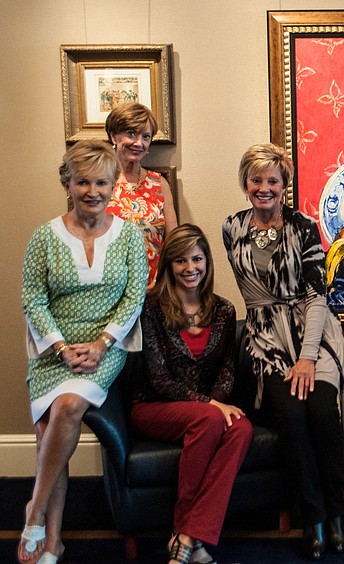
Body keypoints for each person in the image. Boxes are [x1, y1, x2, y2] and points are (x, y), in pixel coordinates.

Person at [20, 140, 147, 563]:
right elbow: (33, 298)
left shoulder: (129, 235)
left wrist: (99, 344)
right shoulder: (44, 236)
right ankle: (52, 541)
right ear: (68, 184)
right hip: (51, 350)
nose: (92, 191)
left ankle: (34, 509)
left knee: (70, 405)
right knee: (47, 431)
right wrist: (59, 347)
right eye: (82, 182)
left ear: (113, 187)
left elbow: (133, 300)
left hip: (103, 347)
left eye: (101, 182)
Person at [222, 143, 344, 560]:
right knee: (293, 416)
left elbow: (316, 297)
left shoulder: (305, 227)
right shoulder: (231, 228)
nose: (264, 188)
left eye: (272, 180)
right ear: (245, 183)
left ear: (284, 184)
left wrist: (308, 356)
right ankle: (310, 516)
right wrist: (287, 355)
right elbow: (258, 296)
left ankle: (335, 513)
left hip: (314, 336)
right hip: (266, 343)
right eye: (256, 180)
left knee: (321, 412)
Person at [132, 224, 253, 564]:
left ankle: (188, 536)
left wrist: (217, 402)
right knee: (212, 419)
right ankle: (185, 530)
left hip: (205, 413)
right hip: (156, 407)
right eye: (181, 261)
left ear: (207, 262)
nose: (190, 268)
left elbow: (228, 369)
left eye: (197, 259)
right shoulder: (152, 309)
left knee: (242, 428)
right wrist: (212, 404)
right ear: (169, 265)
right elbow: (158, 379)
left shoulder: (224, 310)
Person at [105, 102, 178, 288]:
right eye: (131, 134)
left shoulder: (159, 184)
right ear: (114, 136)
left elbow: (174, 243)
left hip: (154, 289)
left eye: (145, 137)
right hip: (109, 291)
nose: (139, 143)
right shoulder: (99, 183)